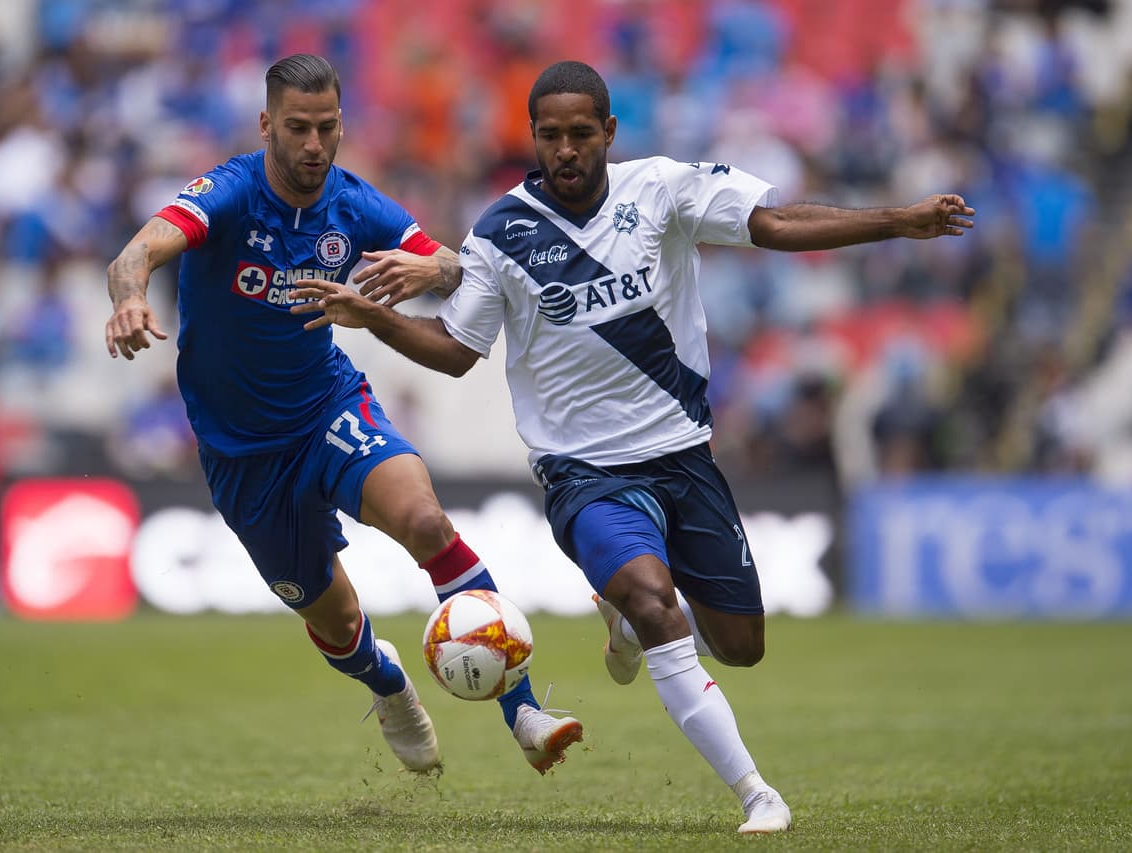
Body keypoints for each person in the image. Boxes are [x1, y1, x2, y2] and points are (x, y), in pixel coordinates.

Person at [287, 60, 975, 832]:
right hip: (583, 473)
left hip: (684, 456)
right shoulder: (502, 230)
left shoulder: (664, 188)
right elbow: (454, 348)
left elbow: (774, 225)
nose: (566, 150)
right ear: (535, 139)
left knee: (741, 645)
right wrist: (372, 316)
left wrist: (898, 221)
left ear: (609, 132)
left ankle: (624, 620)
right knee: (657, 603)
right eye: (550, 136)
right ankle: (757, 792)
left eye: (582, 134)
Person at [102, 53, 583, 776]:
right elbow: (135, 254)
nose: (314, 145)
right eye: (297, 127)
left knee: (426, 521)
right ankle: (387, 684)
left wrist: (437, 269)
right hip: (242, 456)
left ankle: (523, 712)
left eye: (328, 127)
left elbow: (458, 267)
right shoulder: (227, 195)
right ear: (267, 123)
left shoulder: (357, 206)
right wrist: (131, 297)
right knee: (335, 618)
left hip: (327, 407)